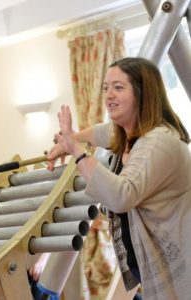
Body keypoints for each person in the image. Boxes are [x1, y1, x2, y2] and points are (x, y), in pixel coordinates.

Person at [47, 57, 191, 300]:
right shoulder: (128, 133)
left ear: (142, 93)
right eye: (106, 88)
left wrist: (77, 151)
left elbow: (121, 196)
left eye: (118, 87)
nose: (108, 95)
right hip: (159, 264)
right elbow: (102, 132)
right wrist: (72, 138)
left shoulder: (159, 141)